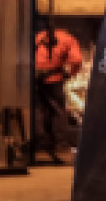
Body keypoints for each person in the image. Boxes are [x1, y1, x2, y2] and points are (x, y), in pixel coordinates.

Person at [34, 22, 83, 162]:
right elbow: (77, 60)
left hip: (35, 79)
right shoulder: (68, 38)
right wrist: (70, 74)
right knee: (58, 111)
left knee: (38, 110)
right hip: (54, 78)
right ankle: (60, 144)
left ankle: (41, 143)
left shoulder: (39, 37)